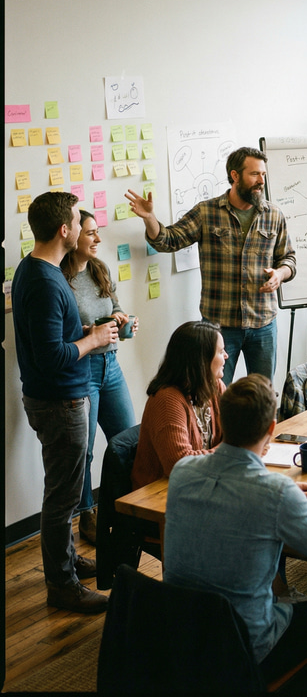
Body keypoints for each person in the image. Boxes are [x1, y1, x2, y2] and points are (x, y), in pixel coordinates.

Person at [164, 373, 307, 690]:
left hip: (179, 634)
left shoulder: (183, 471)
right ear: (272, 429)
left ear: (222, 420)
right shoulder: (275, 492)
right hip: (241, 645)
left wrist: (284, 497)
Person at [12, 191, 117, 613]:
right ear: (64, 230)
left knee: (65, 492)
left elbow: (51, 340)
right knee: (63, 498)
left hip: (56, 399)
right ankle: (62, 585)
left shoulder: (36, 268)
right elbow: (52, 356)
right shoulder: (43, 281)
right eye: (78, 221)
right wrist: (93, 339)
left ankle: (67, 561)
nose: (83, 227)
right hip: (60, 402)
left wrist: (89, 329)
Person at [125, 146, 296, 384]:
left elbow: (288, 258)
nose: (261, 181)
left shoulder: (274, 215)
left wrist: (280, 273)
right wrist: (150, 218)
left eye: (263, 175)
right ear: (235, 175)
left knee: (263, 394)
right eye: (255, 174)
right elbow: (168, 240)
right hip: (219, 327)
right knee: (214, 394)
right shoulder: (207, 212)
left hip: (263, 324)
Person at [60, 210, 138, 545]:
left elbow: (116, 315)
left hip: (111, 366)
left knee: (128, 439)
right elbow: (61, 335)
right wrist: (91, 333)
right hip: (82, 372)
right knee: (86, 451)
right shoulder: (59, 281)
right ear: (72, 236)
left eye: (96, 231)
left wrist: (125, 322)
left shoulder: (99, 270)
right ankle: (87, 515)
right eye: (89, 232)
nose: (97, 239)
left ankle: (125, 507)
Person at [131, 321, 226, 490]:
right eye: (220, 351)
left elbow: (236, 433)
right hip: (161, 493)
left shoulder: (215, 386)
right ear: (201, 360)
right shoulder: (167, 400)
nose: (226, 355)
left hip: (201, 481)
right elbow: (179, 464)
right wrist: (231, 452)